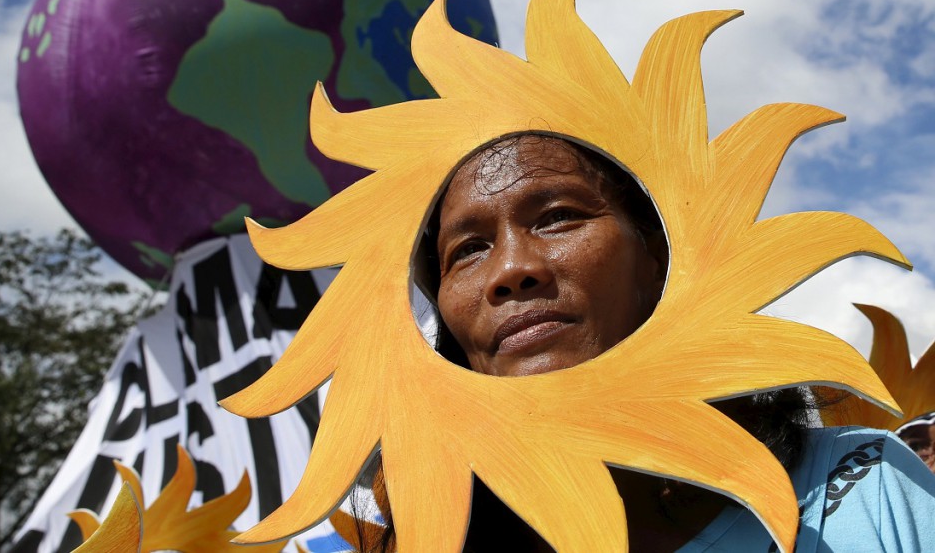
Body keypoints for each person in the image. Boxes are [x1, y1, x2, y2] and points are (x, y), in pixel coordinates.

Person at [354, 133, 935, 552]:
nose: (510, 268)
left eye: (557, 216)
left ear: (658, 258)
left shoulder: (867, 491)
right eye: (468, 249)